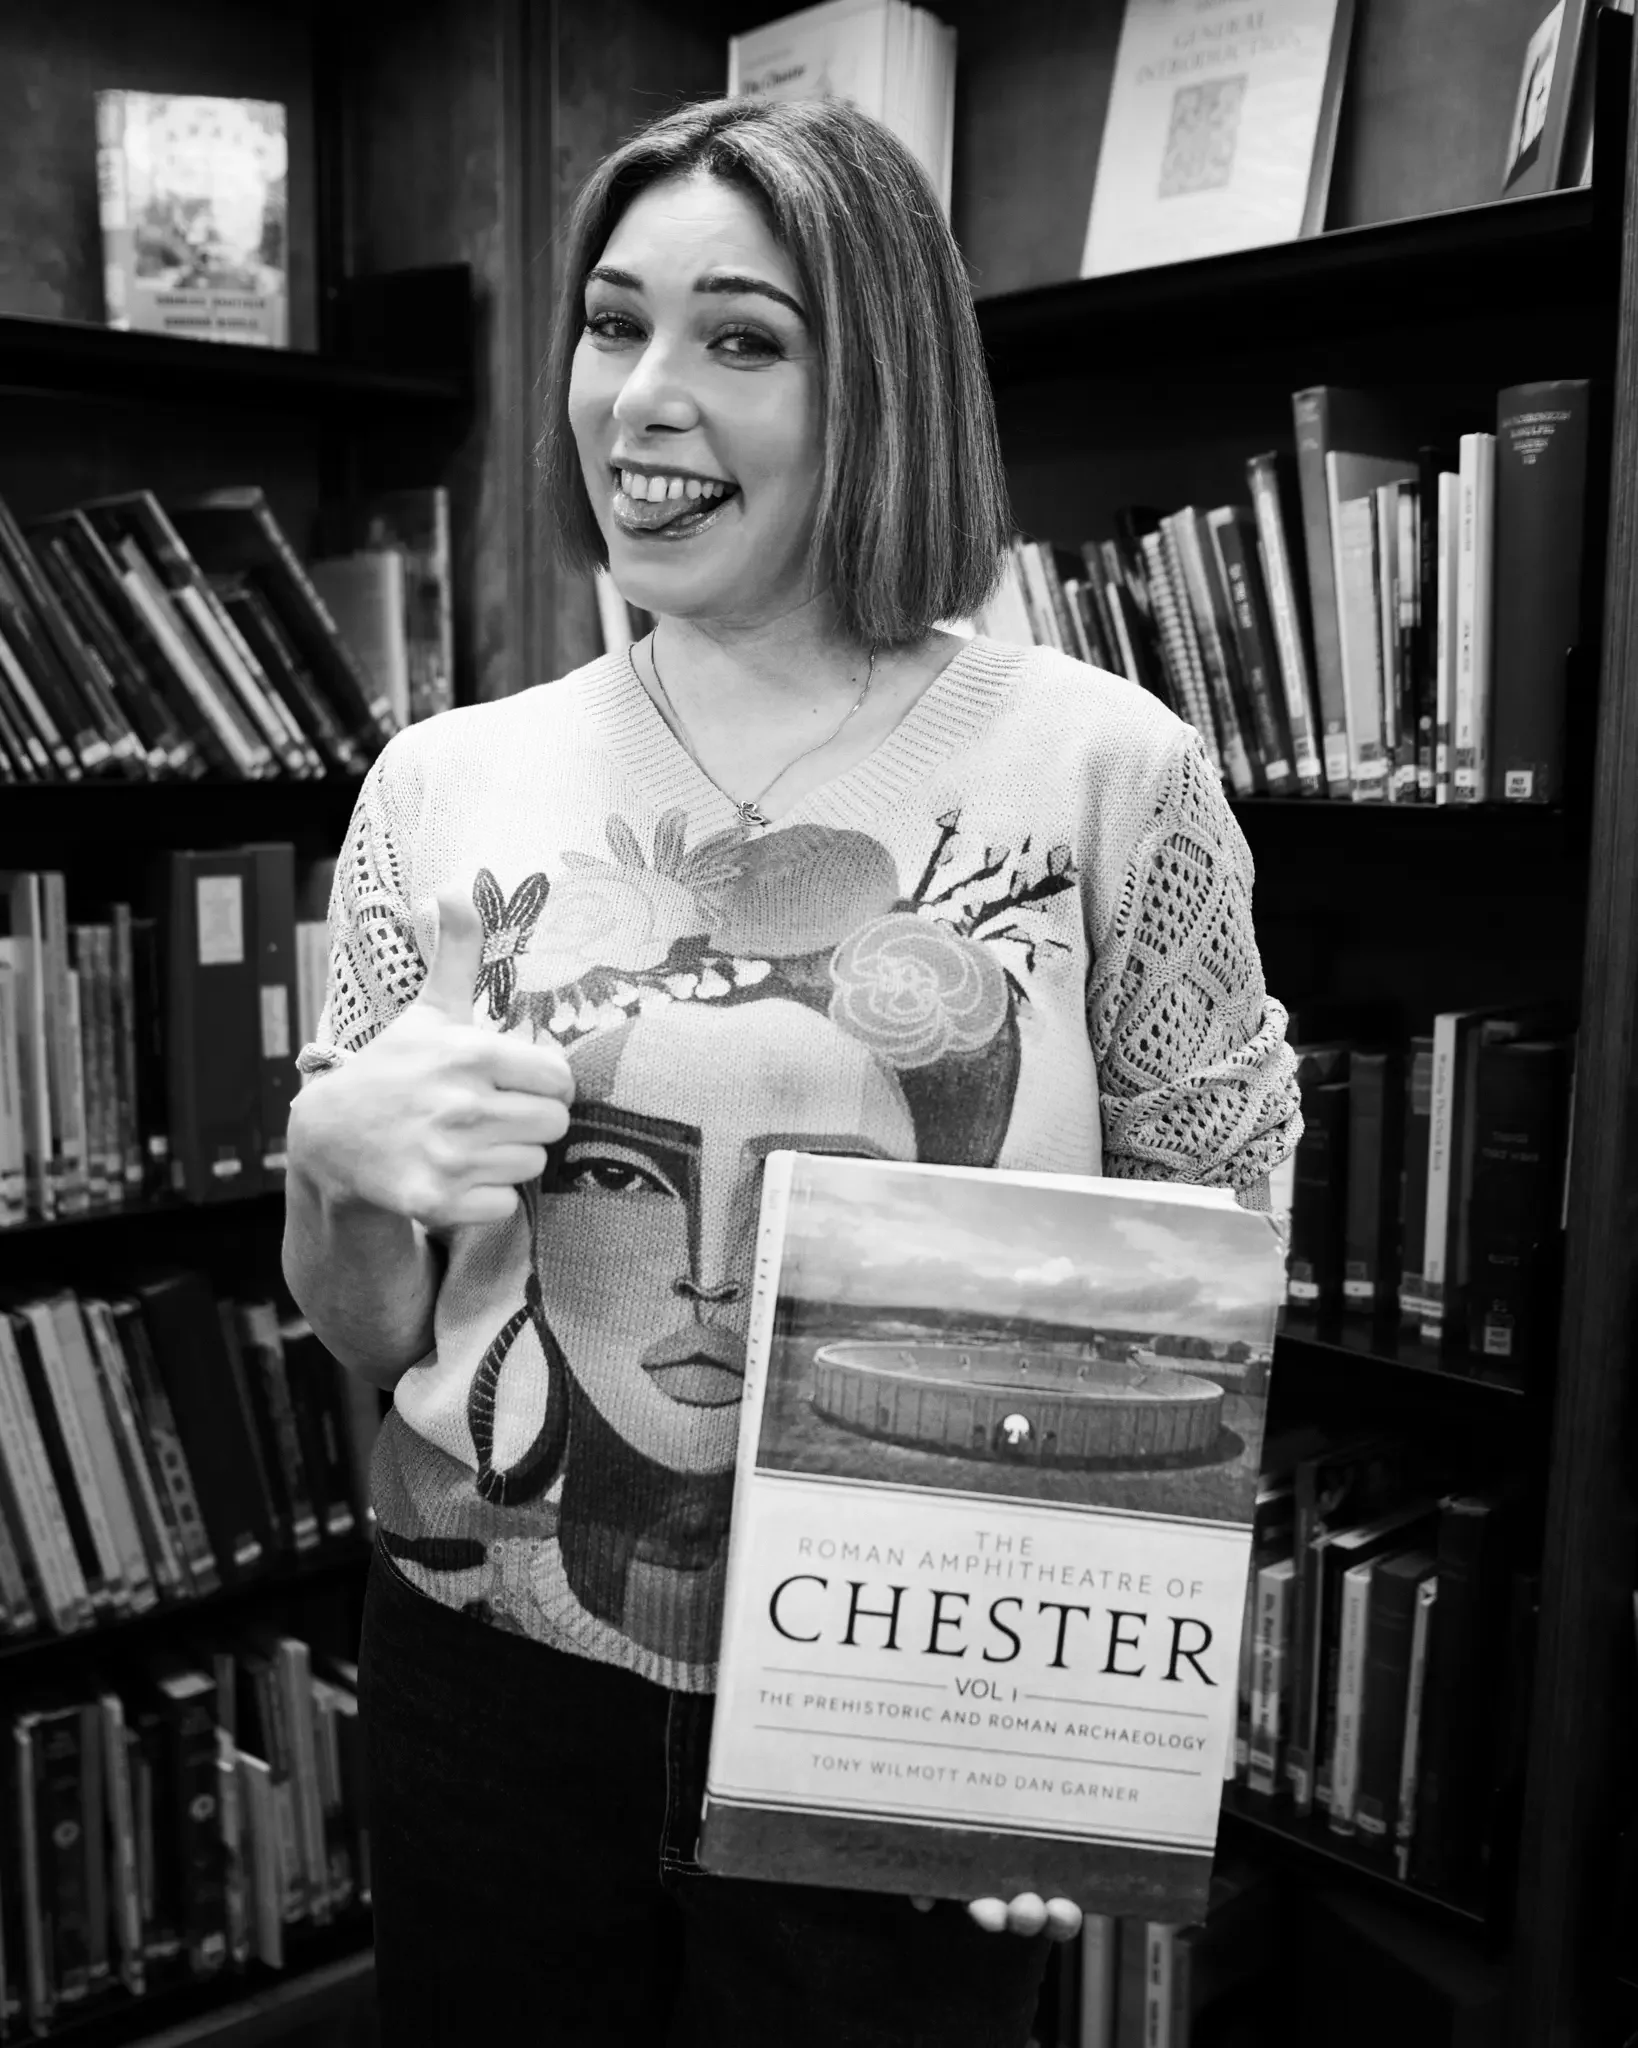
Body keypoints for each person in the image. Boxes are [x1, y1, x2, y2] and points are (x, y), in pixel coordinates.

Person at [284, 92, 1301, 2048]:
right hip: (495, 1687)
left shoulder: (1105, 767)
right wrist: (335, 1165)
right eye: (613, 323)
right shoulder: (442, 779)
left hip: (900, 1698)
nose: (643, 399)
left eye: (741, 338)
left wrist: (1089, 1722)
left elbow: (1212, 1258)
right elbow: (367, 1318)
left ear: (882, 383)